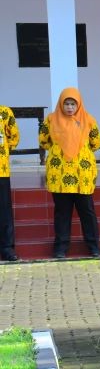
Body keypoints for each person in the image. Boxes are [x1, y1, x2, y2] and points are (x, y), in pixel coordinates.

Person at [39, 88, 100, 259]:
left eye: (73, 104)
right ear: (61, 103)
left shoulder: (88, 120)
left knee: (87, 212)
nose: (69, 107)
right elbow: (44, 141)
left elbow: (96, 143)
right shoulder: (51, 120)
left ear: (78, 104)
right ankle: (60, 248)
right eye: (66, 103)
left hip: (82, 174)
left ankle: (93, 247)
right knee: (62, 213)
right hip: (59, 175)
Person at [0, 105, 20, 262]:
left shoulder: (4, 112)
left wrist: (3, 150)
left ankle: (7, 248)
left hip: (1, 169)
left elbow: (14, 137)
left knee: (3, 210)